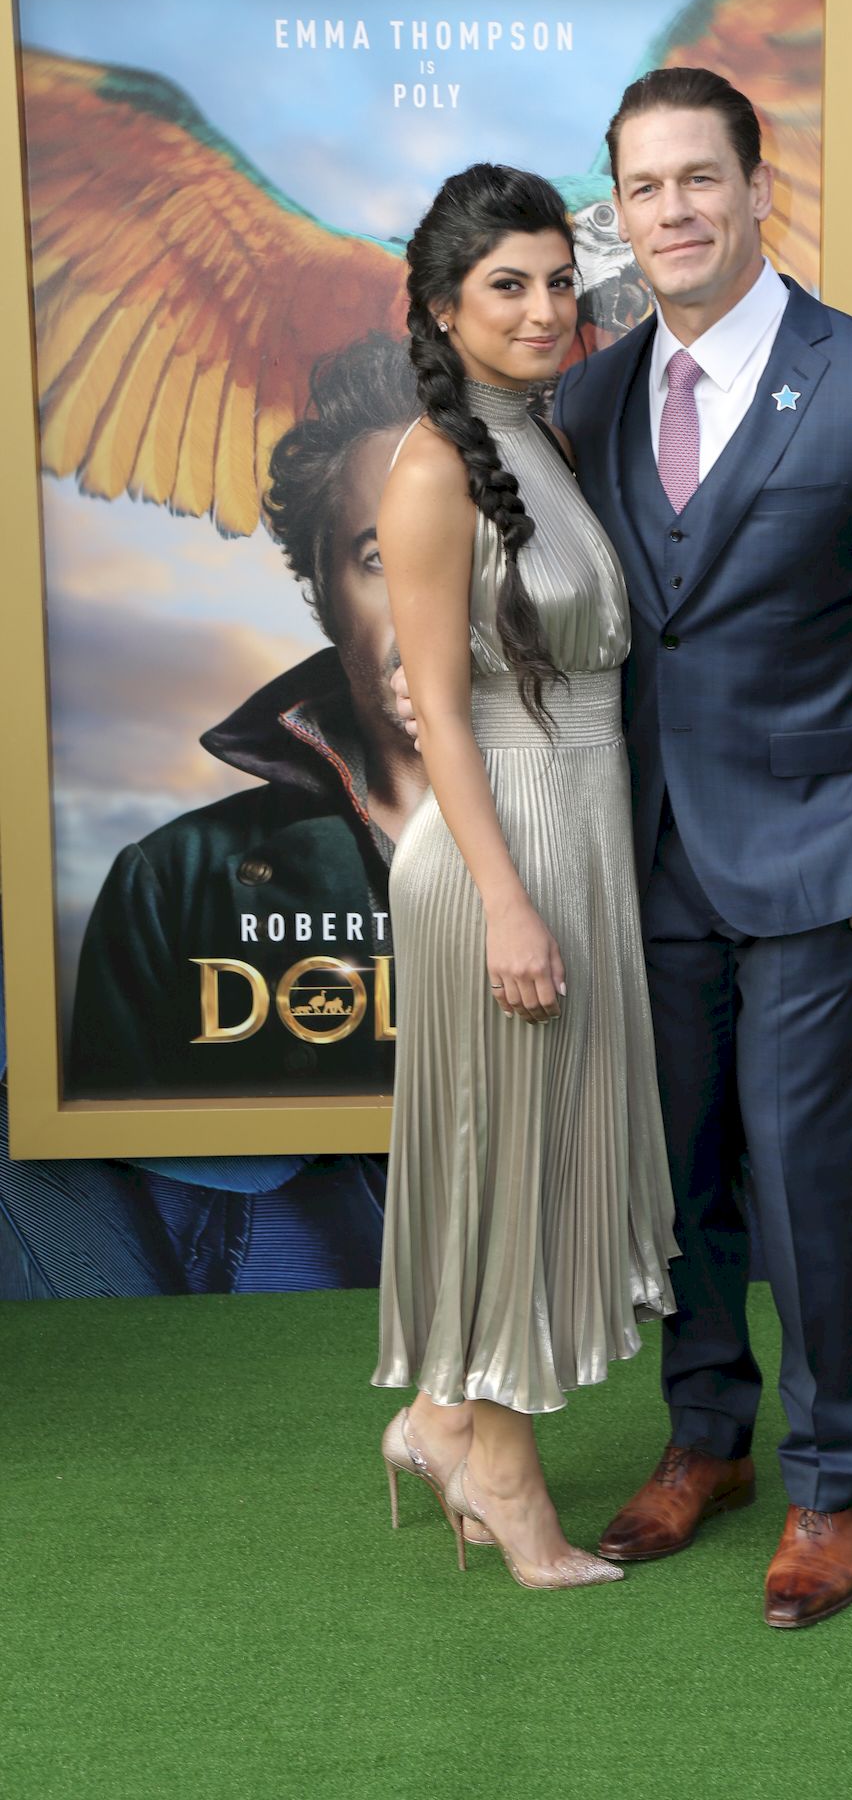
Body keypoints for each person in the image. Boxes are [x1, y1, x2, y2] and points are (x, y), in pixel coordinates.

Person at [551, 68, 852, 1628]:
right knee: (681, 1177)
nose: (672, 210)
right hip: (647, 855)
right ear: (619, 213)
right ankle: (709, 1441)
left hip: (827, 858)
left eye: (700, 178)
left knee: (809, 1174)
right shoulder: (592, 400)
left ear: (760, 189)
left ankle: (830, 1484)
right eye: (644, 186)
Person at [370, 164, 677, 1591]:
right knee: (510, 1164)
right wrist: (504, 902)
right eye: (509, 285)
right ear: (443, 307)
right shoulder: (433, 468)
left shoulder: (536, 434)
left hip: (580, 827)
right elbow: (436, 712)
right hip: (505, 845)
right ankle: (494, 1467)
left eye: (560, 279)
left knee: (536, 1152)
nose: (547, 307)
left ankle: (443, 1419)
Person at [69, 334, 426, 1095]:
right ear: (323, 595)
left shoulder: (632, 848)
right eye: (380, 559)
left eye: (470, 549)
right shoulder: (170, 886)